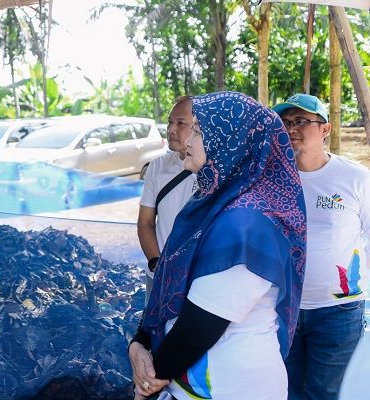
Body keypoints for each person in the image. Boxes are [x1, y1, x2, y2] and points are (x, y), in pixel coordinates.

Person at [128, 92, 307, 399]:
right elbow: (167, 282)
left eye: (197, 131)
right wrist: (139, 343)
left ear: (229, 140)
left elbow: (199, 328)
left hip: (230, 387)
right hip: (190, 383)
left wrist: (148, 382)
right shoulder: (212, 204)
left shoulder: (247, 223)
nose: (187, 141)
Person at [272, 93, 370, 400]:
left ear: (325, 129)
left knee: (327, 393)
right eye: (285, 122)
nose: (291, 128)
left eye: (301, 121)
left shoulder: (355, 179)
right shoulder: (272, 180)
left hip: (338, 311)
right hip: (280, 307)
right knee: (282, 391)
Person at [138, 96, 198, 303]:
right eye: (170, 122)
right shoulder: (157, 167)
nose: (171, 129)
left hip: (198, 282)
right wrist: (157, 264)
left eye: (181, 123)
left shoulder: (217, 173)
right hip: (159, 277)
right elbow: (145, 223)